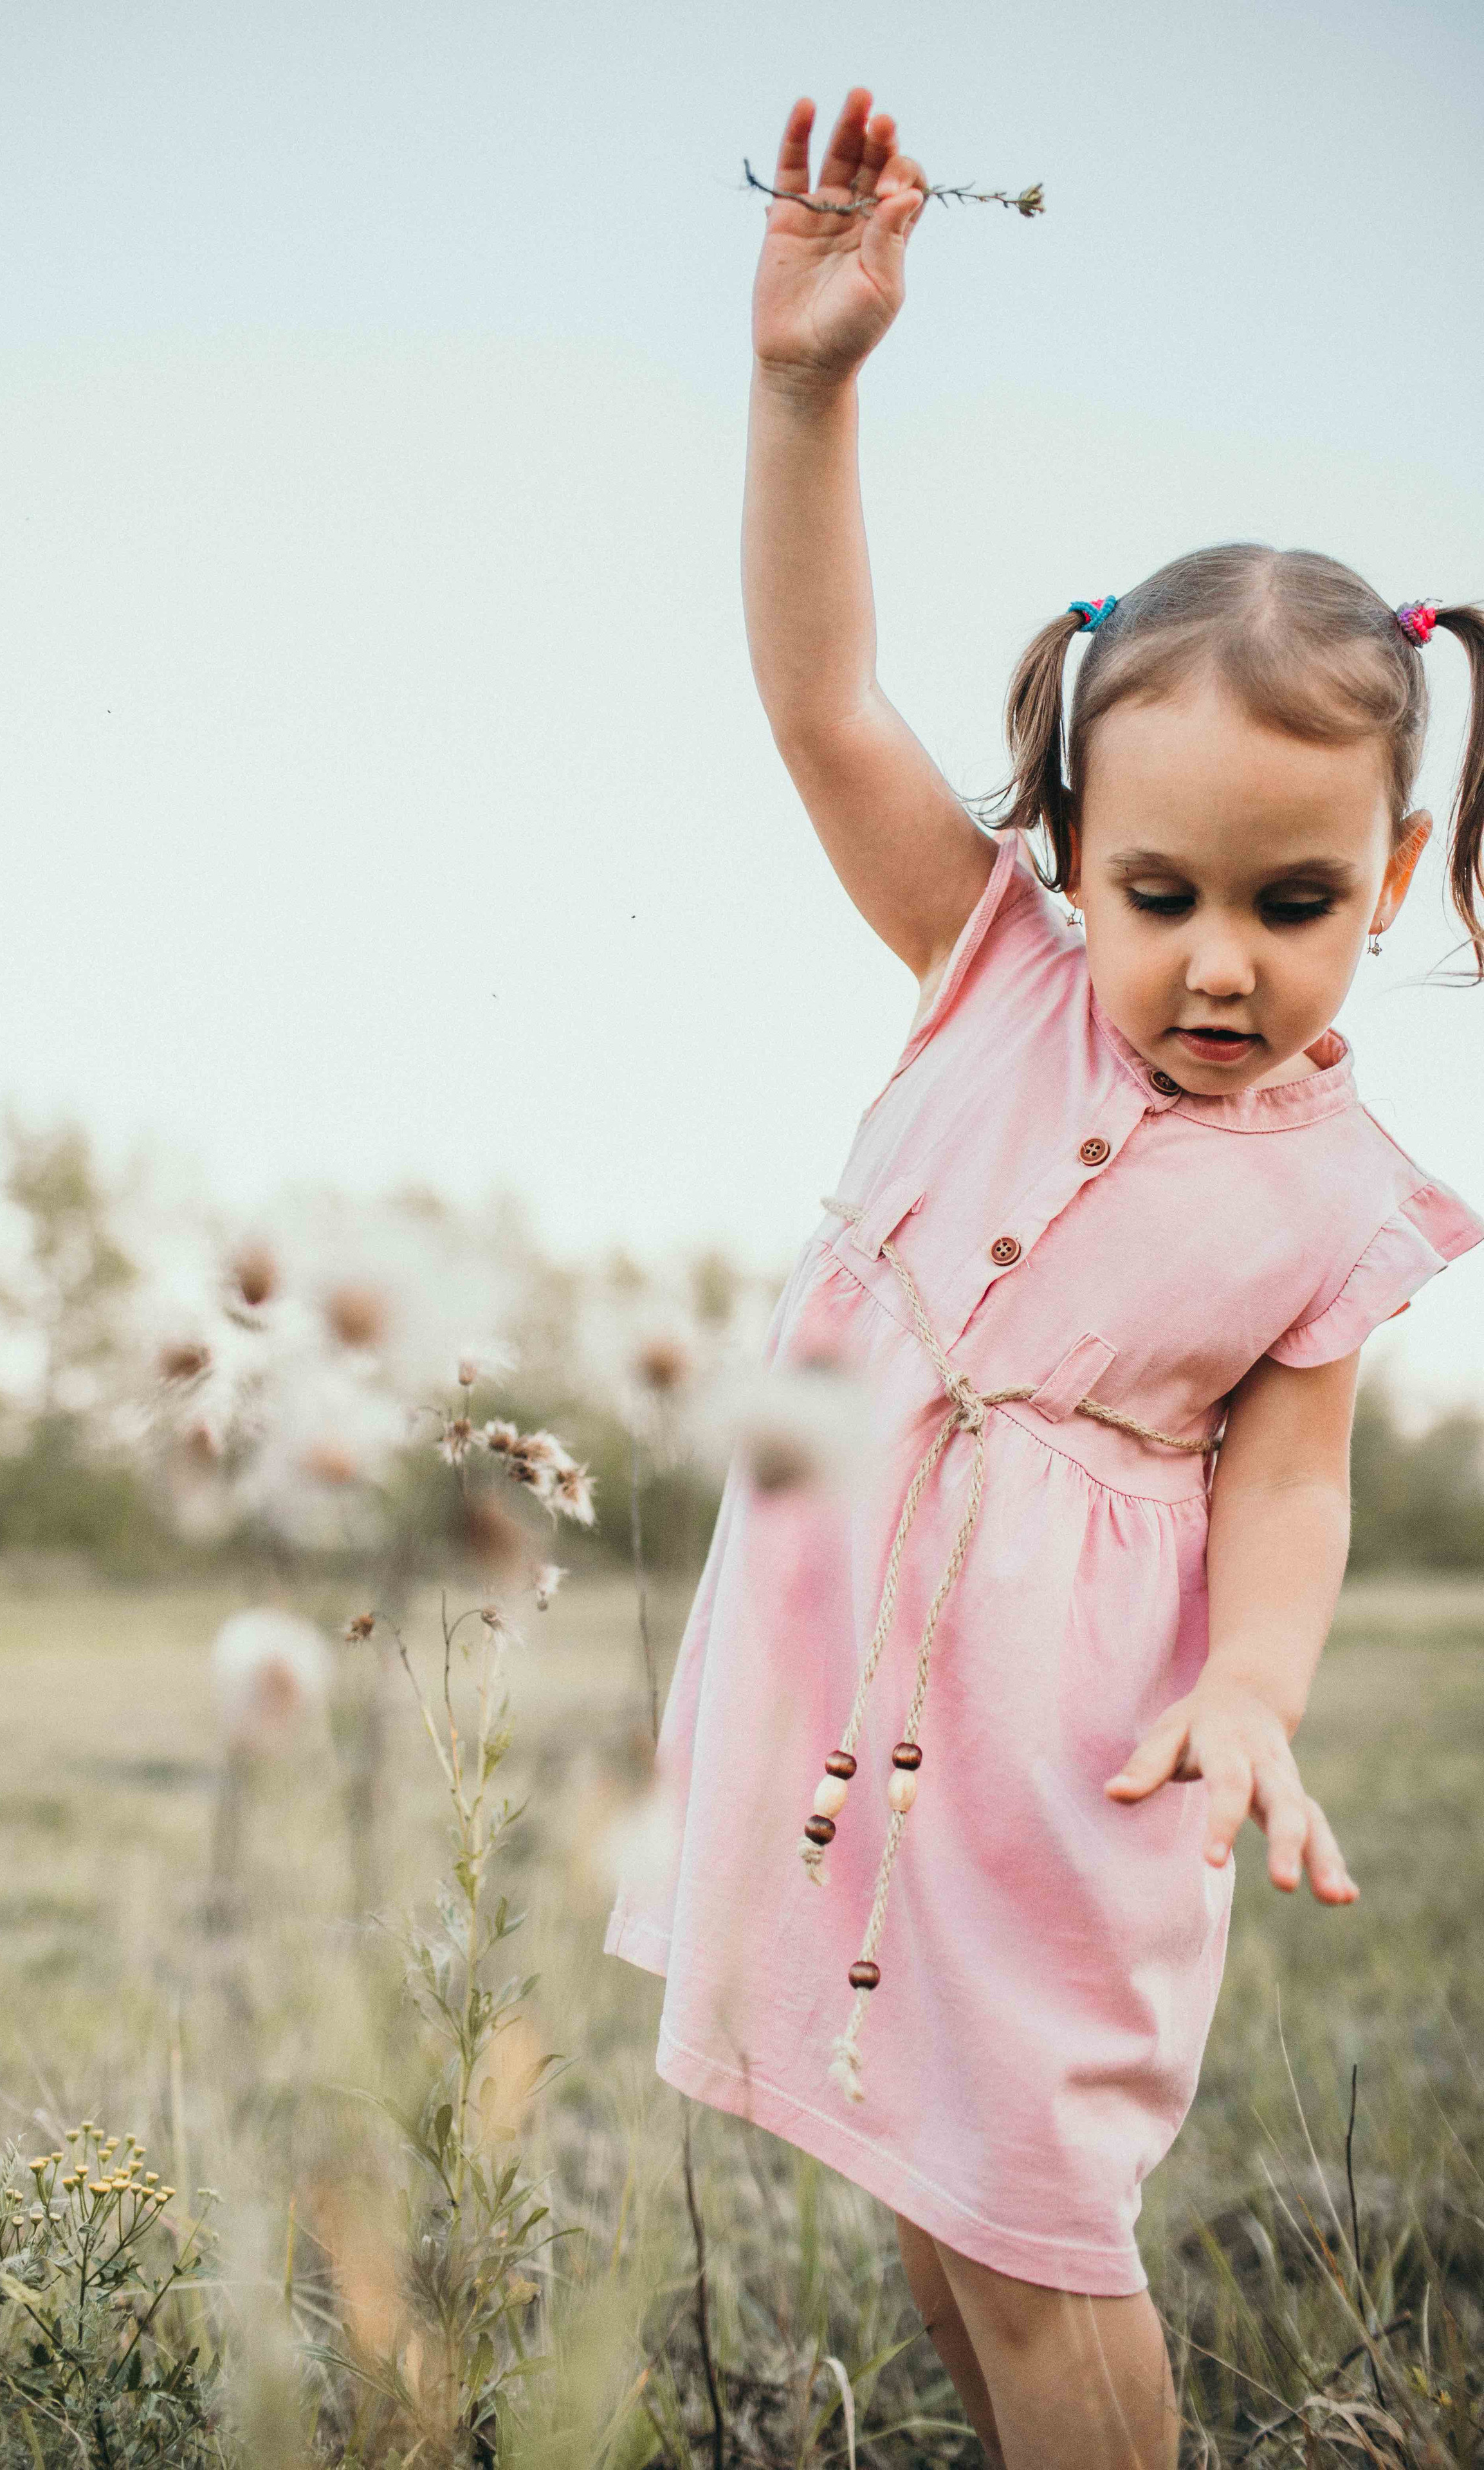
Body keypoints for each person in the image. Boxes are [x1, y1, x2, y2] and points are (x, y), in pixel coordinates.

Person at [603, 84, 1484, 2470]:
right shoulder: (988, 966)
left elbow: (1287, 1489)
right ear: (1075, 857)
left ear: (1384, 883)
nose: (1221, 961)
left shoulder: (1338, 1194)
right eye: (1166, 891)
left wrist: (1260, 1693)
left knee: (1038, 2214)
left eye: (1293, 906)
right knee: (919, 2166)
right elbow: (821, 702)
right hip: (850, 1670)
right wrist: (808, 386)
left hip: (1060, 1744)